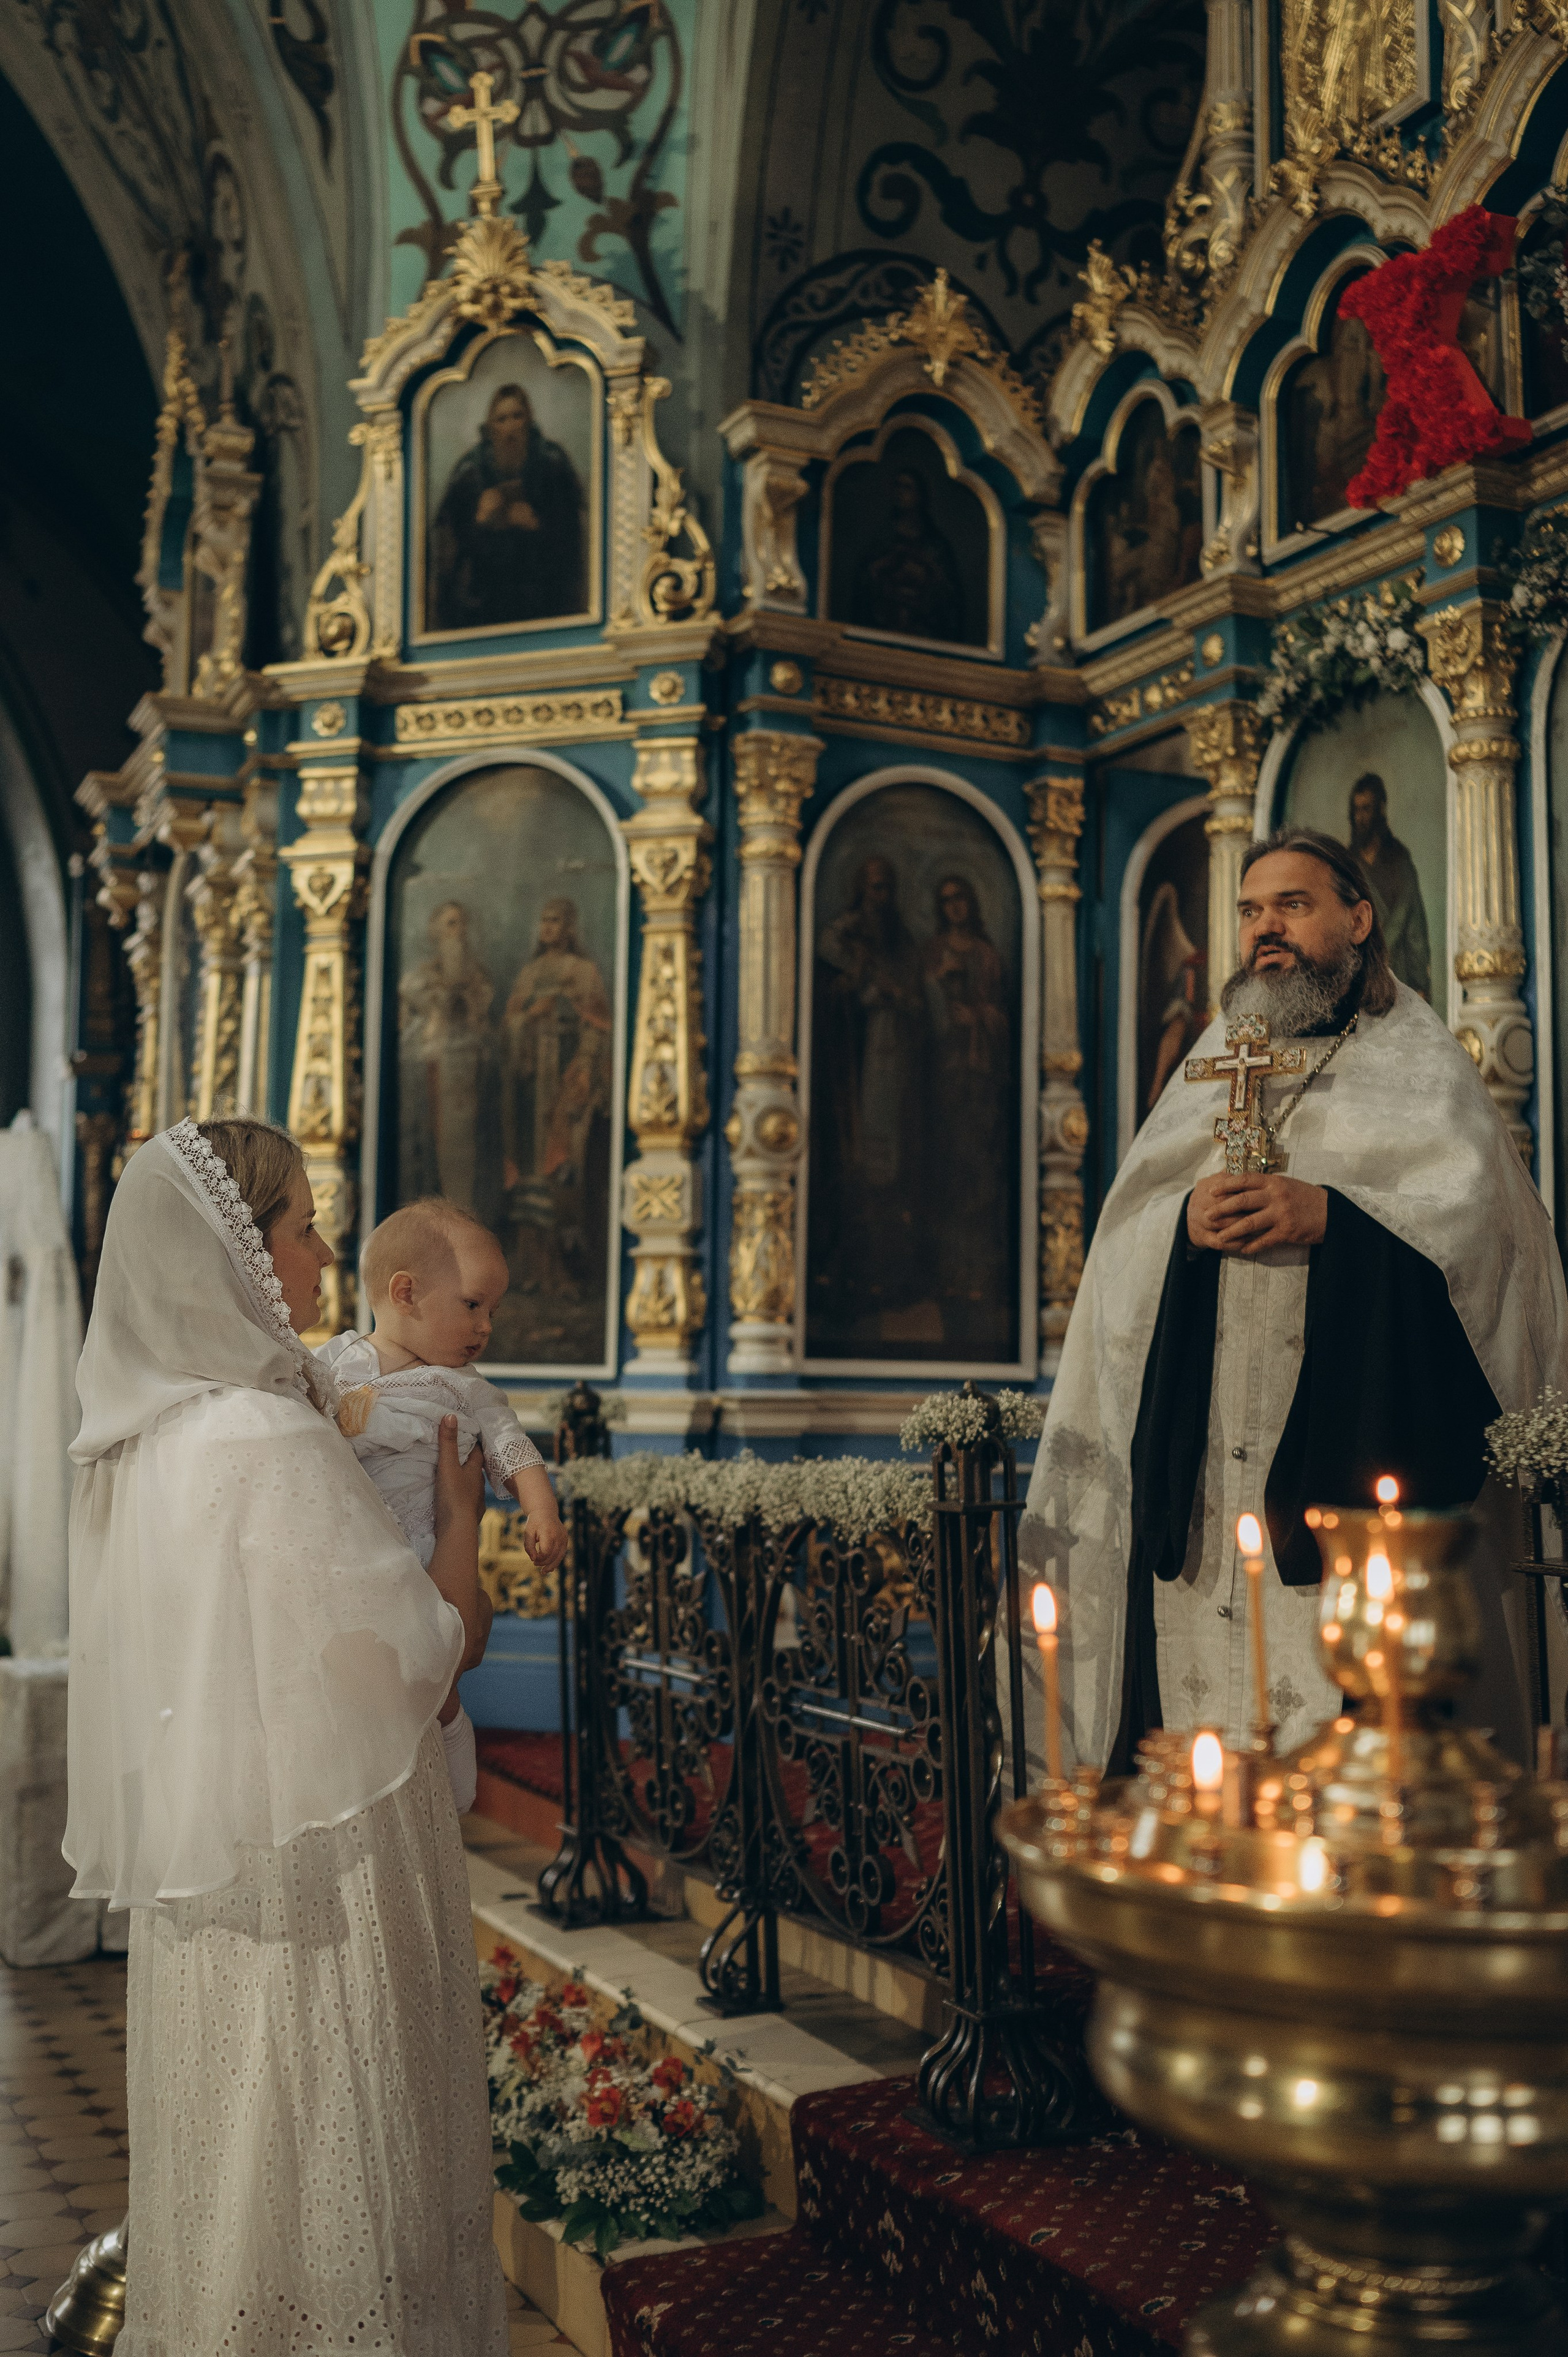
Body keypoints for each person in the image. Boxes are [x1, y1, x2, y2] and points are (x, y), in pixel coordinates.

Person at [63, 1115, 507, 2353]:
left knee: (236, 2186)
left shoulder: (145, 1443)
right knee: (335, 2156)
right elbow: (432, 1654)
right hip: (327, 1889)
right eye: (302, 1228)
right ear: (236, 1254)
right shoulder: (263, 1439)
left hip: (219, 1891)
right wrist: (463, 1521)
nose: (320, 1260)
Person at [1020, 828, 1568, 1776]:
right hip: (1207, 1490)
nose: (1264, 930)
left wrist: (1336, 1217)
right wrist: (1182, 1224)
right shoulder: (1214, 1064)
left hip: (1350, 1479)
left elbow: (1486, 1248)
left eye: (1292, 905)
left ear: (1359, 919)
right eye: (1248, 911)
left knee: (1350, 1770)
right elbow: (1122, 1244)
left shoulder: (1420, 1067)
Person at [321, 1197, 568, 1805]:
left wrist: (541, 1510)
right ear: (405, 1292)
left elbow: (514, 1449)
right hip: (353, 1541)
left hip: (426, 1542)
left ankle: (450, 1741)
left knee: (434, 1660)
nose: (487, 1326)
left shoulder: (466, 1388)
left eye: (493, 1309)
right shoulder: (337, 1361)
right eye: (473, 1304)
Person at [808, 854, 930, 1345]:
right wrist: (859, 983)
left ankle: (892, 1271)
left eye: (887, 889)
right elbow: (830, 994)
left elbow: (920, 1002)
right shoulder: (843, 936)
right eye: (873, 889)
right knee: (857, 1162)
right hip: (852, 1070)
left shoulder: (902, 942)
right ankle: (845, 1275)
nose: (881, 899)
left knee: (897, 1165)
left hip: (896, 1065)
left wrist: (905, 1000)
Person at [500, 897, 613, 1298]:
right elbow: (511, 1023)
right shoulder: (529, 973)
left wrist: (583, 1065)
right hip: (531, 1087)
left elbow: (599, 1025)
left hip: (566, 1081)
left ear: (570, 928)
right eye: (544, 920)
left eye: (556, 921)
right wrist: (529, 1017)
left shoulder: (584, 972)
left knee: (565, 1169)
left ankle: (565, 1268)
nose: (549, 928)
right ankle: (533, 1265)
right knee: (530, 1171)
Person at [921, 875, 1012, 1350]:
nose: (955, 906)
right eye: (946, 899)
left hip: (980, 1084)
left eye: (961, 897)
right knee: (948, 1181)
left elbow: (1000, 1020)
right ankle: (946, 1279)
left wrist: (979, 1019)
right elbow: (919, 1019)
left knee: (979, 1182)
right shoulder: (933, 953)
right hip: (943, 1082)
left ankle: (978, 1277)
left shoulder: (987, 955)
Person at [430, 381, 585, 631]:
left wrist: (537, 525)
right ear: (491, 427)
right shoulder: (469, 474)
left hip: (545, 603)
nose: (510, 427)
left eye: (517, 417)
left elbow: (573, 539)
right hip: (483, 607)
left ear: (528, 420)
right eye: (502, 420)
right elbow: (448, 552)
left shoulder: (553, 466)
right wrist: (480, 520)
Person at [398, 898, 498, 1219]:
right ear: (434, 931)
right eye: (451, 924)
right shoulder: (418, 980)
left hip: (467, 1077)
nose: (459, 931)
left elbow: (485, 1024)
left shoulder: (479, 979)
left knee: (465, 1154)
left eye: (462, 923)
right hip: (425, 1075)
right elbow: (411, 1029)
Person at [851, 465, 966, 643]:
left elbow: (949, 591)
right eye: (897, 486)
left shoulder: (936, 543)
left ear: (920, 495)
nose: (900, 493)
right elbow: (864, 579)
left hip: (923, 627)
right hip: (885, 623)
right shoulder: (882, 538)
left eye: (907, 487)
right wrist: (884, 565)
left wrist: (926, 566)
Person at [1348, 769, 1431, 1000]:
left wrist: (1420, 984)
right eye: (1356, 810)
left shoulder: (1399, 859)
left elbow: (1415, 925)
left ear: (1380, 810)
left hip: (1399, 973)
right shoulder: (1347, 863)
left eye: (1366, 809)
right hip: (1360, 975)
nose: (1360, 818)